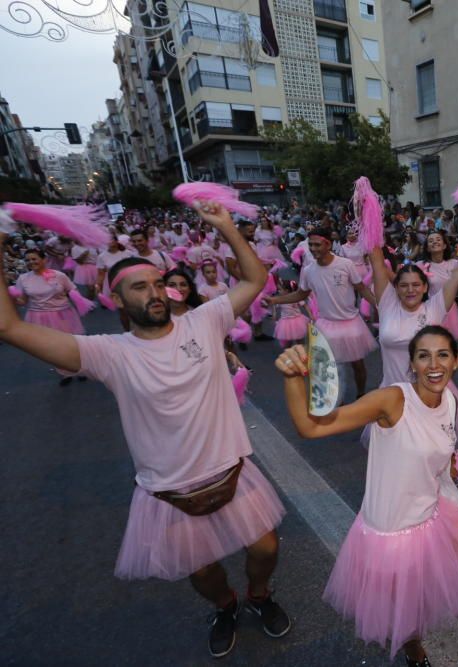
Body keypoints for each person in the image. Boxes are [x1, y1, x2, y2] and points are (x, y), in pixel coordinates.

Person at [0, 202, 289, 659]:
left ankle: (259, 595)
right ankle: (226, 606)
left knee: (265, 549)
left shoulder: (204, 320)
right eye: (140, 287)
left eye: (158, 283)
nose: (154, 292)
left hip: (232, 471)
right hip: (169, 490)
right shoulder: (107, 353)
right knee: (202, 571)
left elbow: (255, 280)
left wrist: (228, 227)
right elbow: (8, 326)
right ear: (117, 300)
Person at [276, 326, 458, 667]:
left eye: (443, 354)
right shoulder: (393, 400)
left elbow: (441, 467)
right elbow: (311, 427)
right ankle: (415, 656)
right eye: (423, 356)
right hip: (392, 532)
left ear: (456, 362)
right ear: (412, 365)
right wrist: (292, 378)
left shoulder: (449, 400)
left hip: (435, 516)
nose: (434, 363)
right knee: (408, 612)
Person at [366, 234, 458, 442]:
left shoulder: (435, 307)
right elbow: (376, 261)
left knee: (434, 451)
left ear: (425, 287)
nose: (411, 290)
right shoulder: (386, 305)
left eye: (416, 285)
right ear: (396, 288)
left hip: (429, 394)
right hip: (393, 395)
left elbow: (457, 274)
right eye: (404, 285)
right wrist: (367, 214)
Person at [264, 229, 377, 398]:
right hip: (326, 324)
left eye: (317, 244)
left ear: (328, 244)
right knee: (327, 366)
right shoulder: (308, 270)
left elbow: (361, 288)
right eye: (310, 245)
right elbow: (301, 294)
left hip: (351, 322)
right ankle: (334, 399)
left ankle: (361, 394)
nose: (313, 248)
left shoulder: (346, 264)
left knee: (357, 364)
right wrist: (275, 301)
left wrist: (381, 305)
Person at [11, 248, 88, 385]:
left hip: (63, 314)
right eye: (28, 260)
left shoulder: (58, 275)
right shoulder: (23, 279)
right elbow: (23, 301)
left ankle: (81, 369)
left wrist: (78, 299)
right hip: (38, 317)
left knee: (71, 344)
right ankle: (64, 373)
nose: (31, 262)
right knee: (52, 347)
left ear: (44, 259)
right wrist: (13, 297)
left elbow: (71, 289)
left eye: (34, 259)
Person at [419, 230, 458, 340]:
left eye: (438, 239)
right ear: (427, 248)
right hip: (431, 308)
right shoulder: (422, 266)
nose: (435, 242)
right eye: (430, 241)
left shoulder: (453, 263)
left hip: (450, 308)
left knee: (449, 344)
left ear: (445, 245)